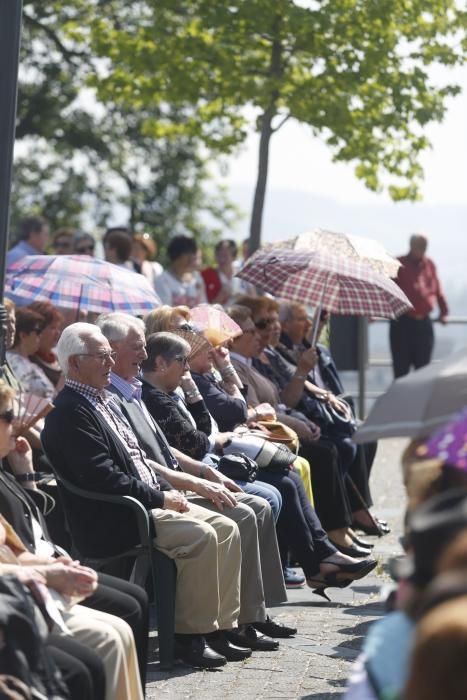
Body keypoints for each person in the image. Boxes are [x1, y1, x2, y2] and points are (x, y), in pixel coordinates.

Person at [41, 322, 245, 669]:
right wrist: (160, 498)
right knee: (202, 536)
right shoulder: (70, 411)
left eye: (110, 353)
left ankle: (217, 629)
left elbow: (140, 458)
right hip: (120, 516)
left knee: (228, 527)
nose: (110, 362)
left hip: (146, 502)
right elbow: (104, 476)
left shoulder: (103, 397)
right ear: (74, 364)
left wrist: (184, 484)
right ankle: (187, 639)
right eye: (101, 356)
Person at [97, 313, 293, 645]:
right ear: (112, 351)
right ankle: (217, 627)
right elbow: (165, 454)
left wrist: (204, 472)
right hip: (153, 497)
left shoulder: (130, 390)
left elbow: (167, 450)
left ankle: (250, 615)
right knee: (244, 512)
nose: (142, 357)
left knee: (257, 506)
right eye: (136, 348)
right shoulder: (119, 396)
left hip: (171, 484)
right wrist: (196, 480)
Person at [0, 380, 145, 700]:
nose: (19, 422)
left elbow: (22, 538)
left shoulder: (4, 467)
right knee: (102, 647)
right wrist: (47, 571)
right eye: (9, 415)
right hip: (16, 596)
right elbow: (18, 549)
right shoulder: (71, 410)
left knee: (130, 608)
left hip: (29, 577)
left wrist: (25, 475)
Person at [390, 234, 449, 378]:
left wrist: (444, 312)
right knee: (401, 370)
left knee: (423, 372)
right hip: (402, 323)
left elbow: (438, 290)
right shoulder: (398, 263)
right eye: (420, 246)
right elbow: (388, 289)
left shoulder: (430, 265)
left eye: (424, 246)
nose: (422, 249)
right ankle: (401, 400)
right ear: (411, 246)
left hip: (423, 323)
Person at [6, 307, 56, 399]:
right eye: (37, 332)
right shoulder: (11, 363)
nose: (40, 336)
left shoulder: (26, 362)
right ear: (23, 335)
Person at [154, 235, 207, 307]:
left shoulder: (197, 278)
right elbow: (165, 311)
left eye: (192, 254)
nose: (191, 259)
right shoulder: (163, 280)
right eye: (187, 254)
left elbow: (204, 304)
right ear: (176, 256)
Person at [29, 301, 64, 388]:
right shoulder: (29, 362)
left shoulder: (60, 358)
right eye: (53, 327)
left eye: (58, 328)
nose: (57, 332)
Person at [201, 239, 245, 306]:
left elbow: (253, 298)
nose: (221, 259)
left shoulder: (242, 275)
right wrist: (220, 297)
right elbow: (201, 305)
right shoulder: (206, 275)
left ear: (234, 257)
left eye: (225, 255)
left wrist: (243, 297)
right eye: (218, 255)